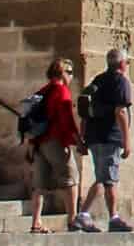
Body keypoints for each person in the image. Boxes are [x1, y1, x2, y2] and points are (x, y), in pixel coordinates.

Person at [77, 49, 134, 233]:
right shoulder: (121, 82)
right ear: (122, 64)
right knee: (108, 178)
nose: (127, 65)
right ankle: (106, 217)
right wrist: (127, 141)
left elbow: (85, 113)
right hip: (110, 137)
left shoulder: (98, 81)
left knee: (103, 177)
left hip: (94, 137)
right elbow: (120, 112)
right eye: (127, 62)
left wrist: (83, 138)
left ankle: (89, 216)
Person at [26, 58, 85, 234]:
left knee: (39, 186)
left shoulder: (42, 91)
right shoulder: (62, 91)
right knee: (71, 178)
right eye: (70, 72)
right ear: (62, 73)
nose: (72, 77)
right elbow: (67, 121)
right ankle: (72, 219)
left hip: (38, 143)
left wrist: (29, 144)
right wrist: (79, 142)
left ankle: (36, 222)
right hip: (56, 141)